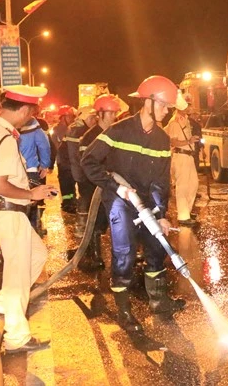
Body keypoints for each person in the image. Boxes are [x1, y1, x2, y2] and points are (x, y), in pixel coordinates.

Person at [82, 76, 187, 332]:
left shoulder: (161, 139)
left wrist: (161, 214)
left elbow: (161, 181)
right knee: (125, 252)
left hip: (146, 201)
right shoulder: (119, 131)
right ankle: (124, 310)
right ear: (148, 102)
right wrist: (115, 187)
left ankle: (159, 302)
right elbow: (88, 161)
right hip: (119, 199)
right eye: (164, 105)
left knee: (156, 247)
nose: (167, 111)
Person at [0, 85, 57, 354]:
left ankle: (0, 304)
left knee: (38, 255)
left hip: (1, 212)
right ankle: (17, 337)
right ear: (24, 109)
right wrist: (31, 193)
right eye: (31, 113)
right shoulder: (5, 138)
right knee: (17, 276)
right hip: (8, 212)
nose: (30, 118)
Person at [77, 94, 124, 267]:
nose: (113, 117)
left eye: (115, 113)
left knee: (110, 218)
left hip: (110, 184)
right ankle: (94, 255)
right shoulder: (90, 137)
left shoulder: (115, 133)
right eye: (110, 113)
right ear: (100, 114)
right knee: (95, 220)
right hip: (93, 184)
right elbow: (87, 163)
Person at [164, 95, 200, 225]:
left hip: (188, 156)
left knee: (193, 184)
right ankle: (183, 216)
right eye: (187, 105)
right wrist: (189, 141)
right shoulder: (175, 122)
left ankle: (186, 212)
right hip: (181, 156)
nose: (189, 107)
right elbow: (173, 141)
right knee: (182, 187)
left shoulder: (185, 120)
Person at [66, 105, 98, 236]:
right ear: (86, 118)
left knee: (84, 196)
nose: (94, 120)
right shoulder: (83, 132)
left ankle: (82, 226)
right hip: (83, 170)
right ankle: (82, 227)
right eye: (92, 118)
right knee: (86, 197)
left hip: (78, 169)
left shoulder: (73, 128)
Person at [18, 114, 52, 235]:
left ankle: (19, 232)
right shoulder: (31, 122)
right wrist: (44, 165)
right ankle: (32, 231)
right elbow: (44, 145)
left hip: (11, 172)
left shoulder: (4, 122)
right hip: (30, 170)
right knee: (32, 201)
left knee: (15, 202)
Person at [52, 105, 77, 212]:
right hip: (63, 162)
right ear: (63, 117)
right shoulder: (58, 130)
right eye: (70, 116)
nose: (72, 119)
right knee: (66, 184)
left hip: (71, 161)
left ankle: (72, 201)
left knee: (71, 183)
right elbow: (56, 146)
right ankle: (67, 203)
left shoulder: (71, 128)